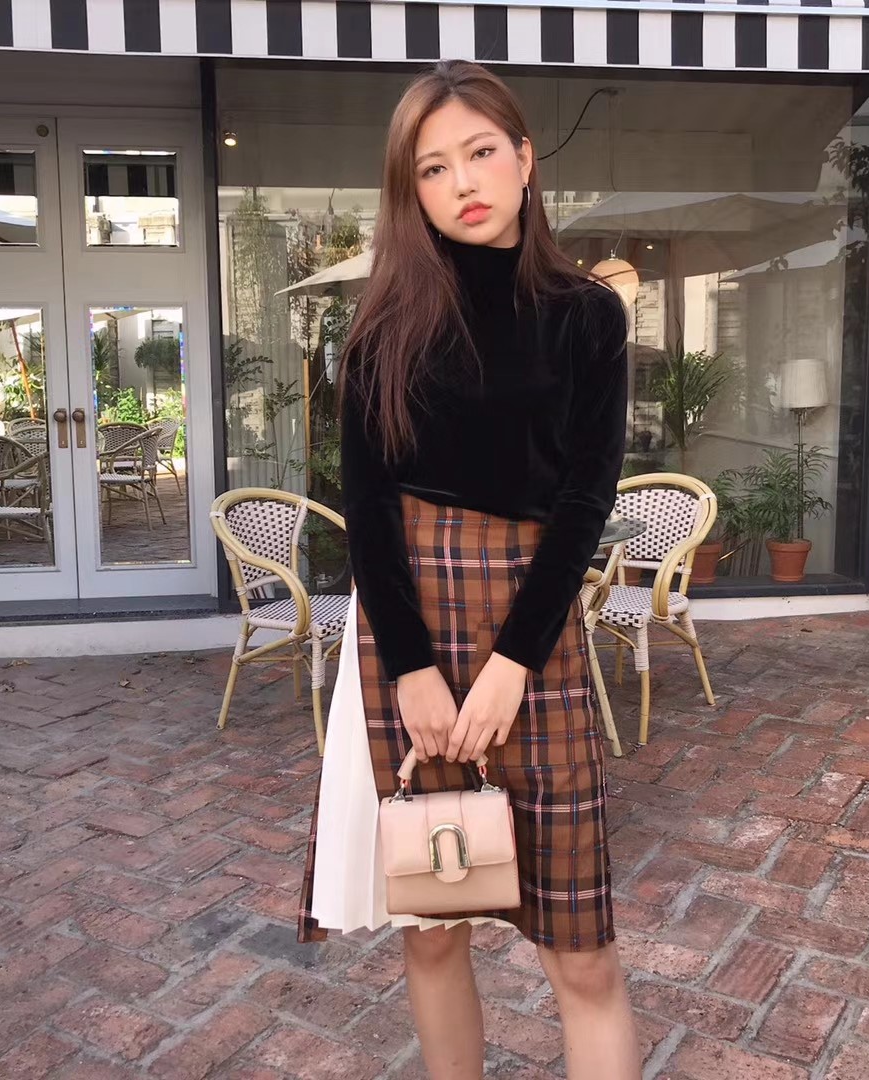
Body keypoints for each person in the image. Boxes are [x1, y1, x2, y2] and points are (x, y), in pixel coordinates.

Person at [299, 59, 642, 1078]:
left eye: (481, 152)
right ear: (412, 192)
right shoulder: (380, 328)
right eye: (433, 167)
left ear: (525, 158)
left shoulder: (589, 315)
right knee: (436, 927)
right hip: (405, 642)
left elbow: (584, 503)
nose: (463, 182)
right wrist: (411, 668)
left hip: (533, 639)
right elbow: (368, 513)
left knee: (581, 952)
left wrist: (510, 666)